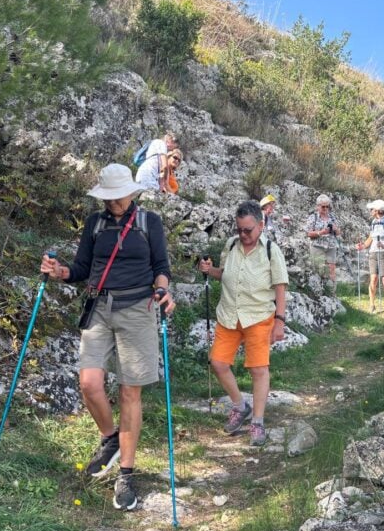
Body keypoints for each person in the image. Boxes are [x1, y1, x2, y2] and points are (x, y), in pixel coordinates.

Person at [41, 163, 175, 511]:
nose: (113, 203)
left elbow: (161, 268)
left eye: (118, 197)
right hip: (99, 307)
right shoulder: (95, 223)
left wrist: (162, 291)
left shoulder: (149, 223)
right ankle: (110, 438)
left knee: (130, 390)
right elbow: (82, 268)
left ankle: (126, 475)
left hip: (138, 309)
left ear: (131, 193)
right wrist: (60, 272)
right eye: (109, 198)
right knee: (89, 383)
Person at [198, 200, 288, 447]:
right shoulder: (230, 245)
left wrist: (279, 322)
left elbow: (280, 287)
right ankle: (240, 406)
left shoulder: (271, 250)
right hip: (228, 315)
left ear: (260, 225)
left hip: (258, 317)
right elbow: (224, 275)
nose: (243, 234)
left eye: (248, 230)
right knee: (217, 363)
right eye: (239, 229)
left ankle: (257, 422)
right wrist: (210, 270)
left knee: (258, 369)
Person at [355, 199, 384, 315]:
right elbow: (371, 237)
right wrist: (363, 246)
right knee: (373, 279)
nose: (370, 211)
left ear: (378, 210)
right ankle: (372, 305)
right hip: (373, 252)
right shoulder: (374, 222)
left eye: (372, 209)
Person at [305, 194, 340, 291]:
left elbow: (338, 233)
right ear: (318, 206)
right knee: (318, 269)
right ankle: (318, 291)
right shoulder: (313, 217)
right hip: (317, 246)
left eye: (327, 206)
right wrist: (321, 232)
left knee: (331, 269)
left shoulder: (332, 217)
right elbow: (308, 233)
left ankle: (332, 292)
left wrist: (335, 229)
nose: (325, 209)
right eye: (323, 206)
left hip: (331, 246)